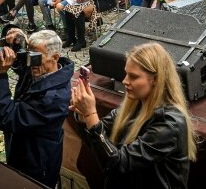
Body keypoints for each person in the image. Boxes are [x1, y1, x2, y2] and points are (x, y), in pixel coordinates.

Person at [70, 42, 196, 189]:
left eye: (133, 76)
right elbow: (95, 138)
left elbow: (117, 164)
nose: (125, 81)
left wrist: (91, 113)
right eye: (126, 74)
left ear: (155, 79)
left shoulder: (170, 124)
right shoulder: (133, 105)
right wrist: (82, 116)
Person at [0, 28, 73, 188]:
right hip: (22, 148)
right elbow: (26, 69)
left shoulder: (54, 98)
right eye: (29, 54)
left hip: (37, 162)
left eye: (35, 56)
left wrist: (0, 76)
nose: (30, 61)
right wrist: (21, 42)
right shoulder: (44, 69)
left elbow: (6, 118)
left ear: (55, 57)